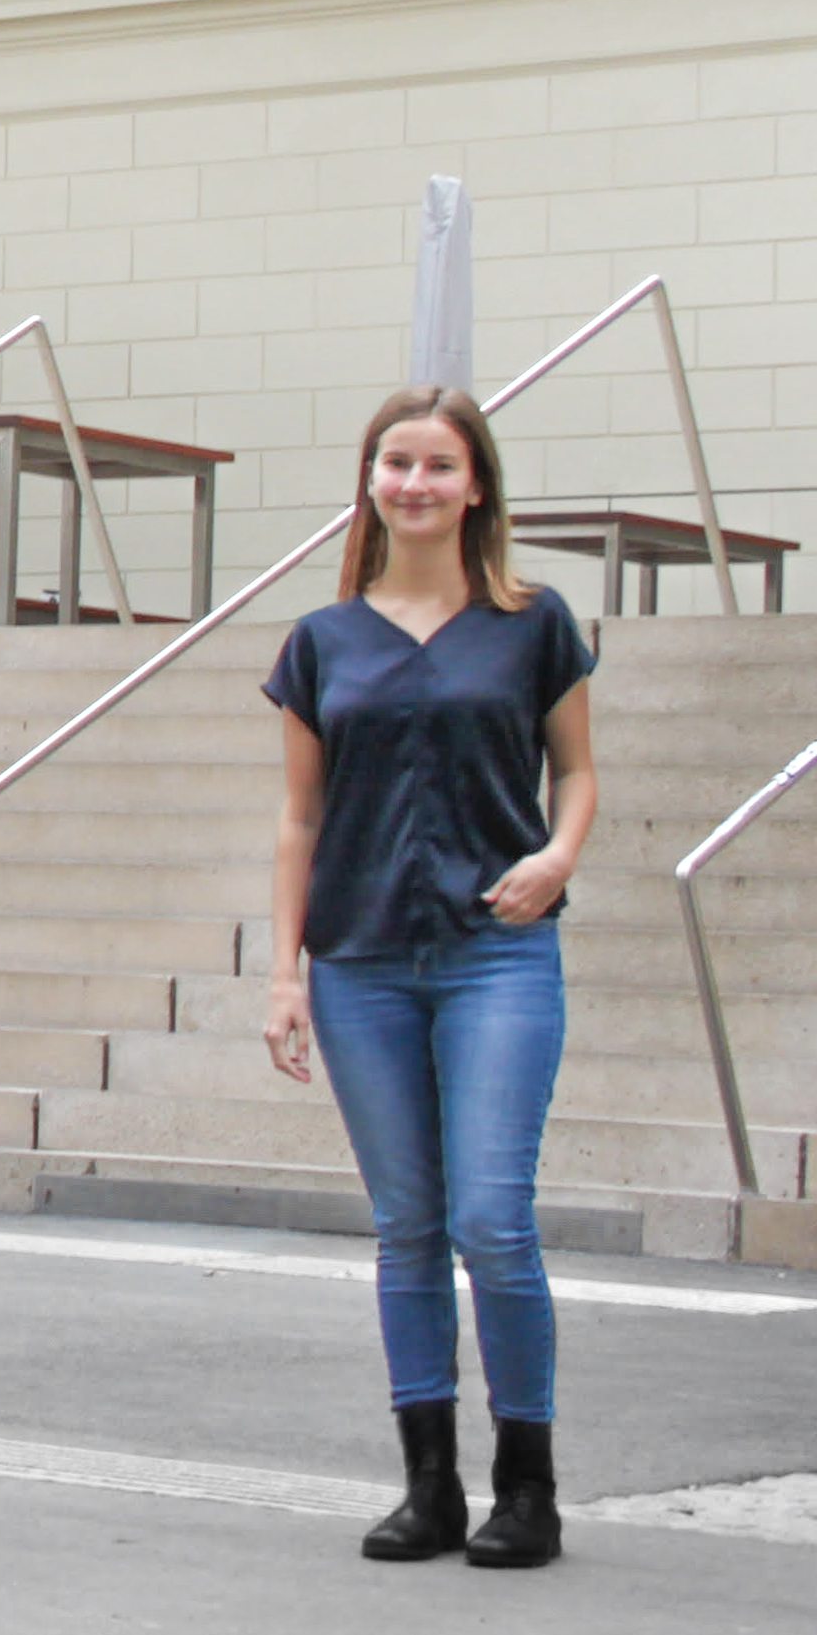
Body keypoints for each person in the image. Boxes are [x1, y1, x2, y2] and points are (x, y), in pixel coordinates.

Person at [261, 384, 600, 1570]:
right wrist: (284, 974)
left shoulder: (532, 622)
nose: (415, 483)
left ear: (477, 487)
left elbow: (577, 775)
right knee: (406, 1227)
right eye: (395, 463)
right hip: (358, 961)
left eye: (439, 465)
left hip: (496, 954)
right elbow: (300, 819)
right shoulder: (322, 641)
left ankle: (528, 1487)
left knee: (491, 1222)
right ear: (369, 484)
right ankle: (428, 1486)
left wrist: (556, 861)